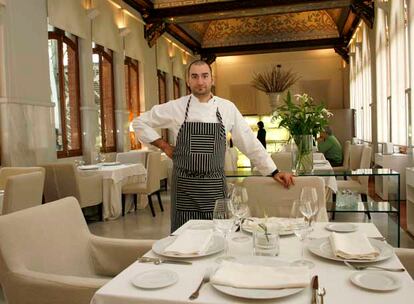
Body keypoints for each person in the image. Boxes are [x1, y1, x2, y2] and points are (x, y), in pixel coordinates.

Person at [133, 60, 294, 231]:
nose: (200, 81)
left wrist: (273, 171)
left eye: (204, 76)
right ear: (188, 80)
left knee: (218, 238)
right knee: (185, 241)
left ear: (212, 79)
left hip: (215, 190)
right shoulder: (176, 107)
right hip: (185, 190)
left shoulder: (227, 108)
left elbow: (248, 141)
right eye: (194, 77)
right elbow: (139, 123)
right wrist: (164, 146)